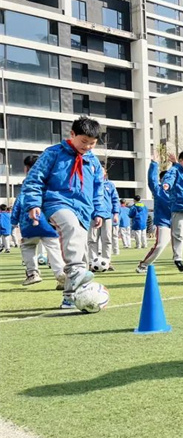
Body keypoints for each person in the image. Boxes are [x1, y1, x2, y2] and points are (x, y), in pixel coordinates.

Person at [21, 117, 109, 309]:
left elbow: (98, 189)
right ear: (72, 135)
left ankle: (70, 297)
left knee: (81, 249)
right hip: (57, 202)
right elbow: (34, 179)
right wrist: (33, 203)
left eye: (92, 143)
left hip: (83, 209)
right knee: (69, 226)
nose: (87, 147)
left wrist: (99, 211)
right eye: (83, 141)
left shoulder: (93, 162)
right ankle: (77, 271)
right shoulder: (53, 153)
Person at [11, 155, 66, 288]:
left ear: (26, 168)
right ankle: (60, 275)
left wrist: (13, 220)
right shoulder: (49, 181)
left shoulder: (28, 183)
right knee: (54, 248)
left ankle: (32, 273)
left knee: (28, 246)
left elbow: (19, 202)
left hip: (28, 221)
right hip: (48, 221)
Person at [136, 153, 173, 273]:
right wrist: (154, 164)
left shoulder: (178, 190)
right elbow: (152, 180)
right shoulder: (158, 190)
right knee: (161, 245)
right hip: (164, 222)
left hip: (179, 221)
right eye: (166, 178)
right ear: (162, 180)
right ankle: (144, 264)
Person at [88, 164, 120, 269]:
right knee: (92, 240)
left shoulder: (110, 185)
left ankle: (107, 261)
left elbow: (115, 199)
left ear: (105, 172)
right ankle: (92, 262)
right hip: (93, 215)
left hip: (107, 216)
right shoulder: (89, 184)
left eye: (102, 170)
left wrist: (116, 213)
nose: (100, 172)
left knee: (107, 240)